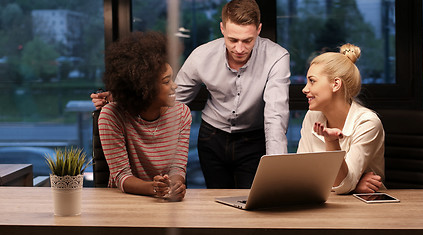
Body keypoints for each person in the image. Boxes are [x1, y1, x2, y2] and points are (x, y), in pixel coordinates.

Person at [92, 0, 290, 189]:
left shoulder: (276, 57)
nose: (239, 48)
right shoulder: (201, 55)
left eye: (248, 40)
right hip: (212, 138)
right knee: (217, 203)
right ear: (222, 29)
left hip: (253, 139)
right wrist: (125, 95)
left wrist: (277, 170)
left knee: (252, 201)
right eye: (233, 39)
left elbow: (275, 116)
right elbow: (168, 94)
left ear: (259, 30)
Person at [98, 31, 192, 201]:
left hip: (165, 204)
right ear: (144, 88)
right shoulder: (111, 116)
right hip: (123, 203)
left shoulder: (182, 114)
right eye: (166, 81)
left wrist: (174, 185)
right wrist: (154, 188)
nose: (175, 86)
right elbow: (121, 176)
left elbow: (178, 168)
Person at [297, 43, 384, 194]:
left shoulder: (368, 123)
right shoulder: (312, 116)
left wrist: (332, 142)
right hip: (323, 204)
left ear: (336, 84)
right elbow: (301, 175)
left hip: (366, 208)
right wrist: (354, 186)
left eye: (312, 81)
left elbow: (343, 185)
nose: (305, 89)